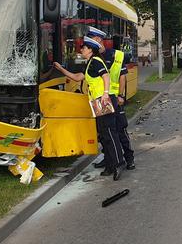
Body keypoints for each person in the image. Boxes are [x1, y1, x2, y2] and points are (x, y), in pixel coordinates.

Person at [54, 36, 124, 180]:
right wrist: (61, 69)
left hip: (104, 100)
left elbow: (106, 76)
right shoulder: (90, 63)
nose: (81, 50)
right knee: (103, 134)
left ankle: (118, 163)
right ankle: (110, 164)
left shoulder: (96, 62)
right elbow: (78, 77)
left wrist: (105, 94)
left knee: (110, 133)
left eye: (84, 48)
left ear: (90, 49)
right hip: (98, 102)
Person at [87, 27, 135, 171]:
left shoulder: (115, 55)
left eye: (93, 39)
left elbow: (122, 77)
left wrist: (121, 96)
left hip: (114, 98)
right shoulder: (94, 57)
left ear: (98, 40)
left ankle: (129, 158)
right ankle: (108, 159)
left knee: (120, 130)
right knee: (104, 132)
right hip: (102, 100)